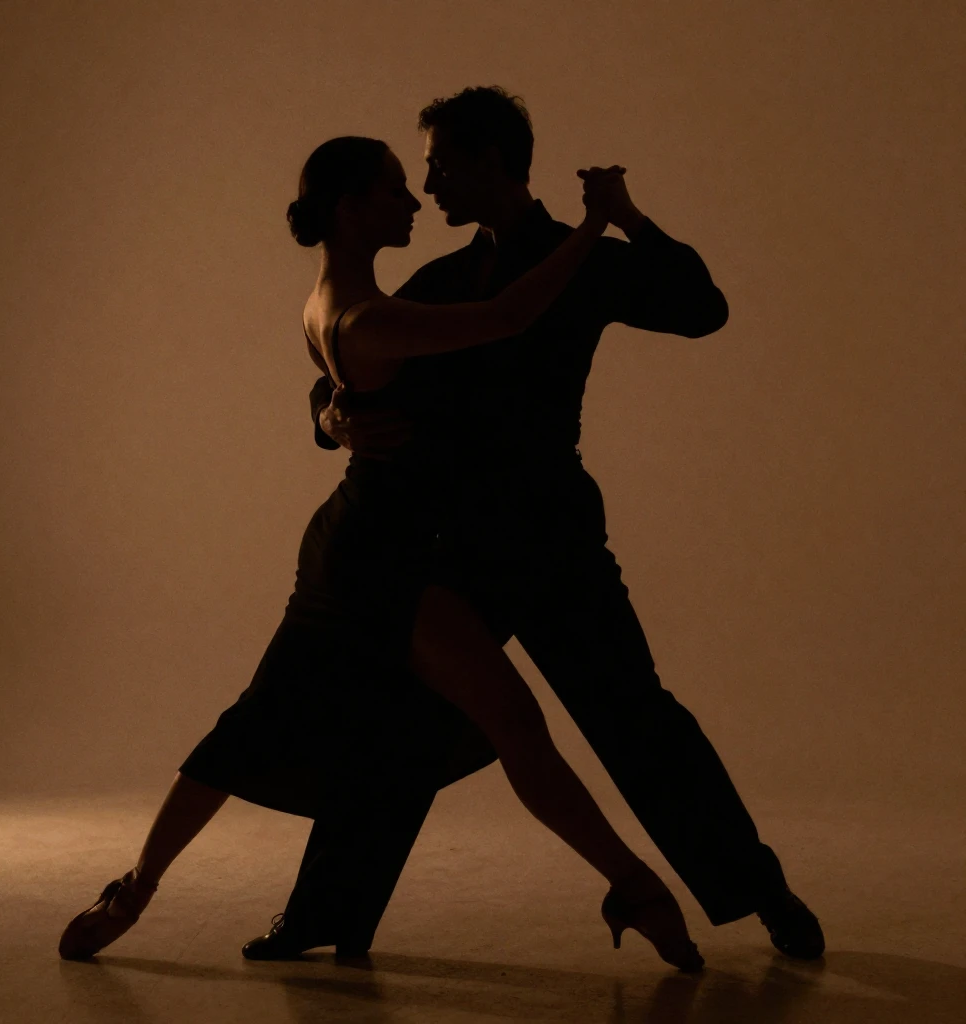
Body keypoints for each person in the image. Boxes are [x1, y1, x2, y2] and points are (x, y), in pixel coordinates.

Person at [57, 135, 704, 973]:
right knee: (287, 726)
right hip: (371, 562)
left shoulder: (331, 302)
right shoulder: (374, 315)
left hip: (377, 545)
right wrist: (592, 227)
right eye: (396, 189)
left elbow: (348, 393)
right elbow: (508, 318)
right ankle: (135, 889)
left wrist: (334, 416)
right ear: (352, 207)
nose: (412, 201)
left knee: (329, 725)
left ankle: (136, 891)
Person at [253, 86, 824, 963]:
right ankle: (324, 915)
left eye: (442, 165)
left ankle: (760, 890)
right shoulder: (441, 277)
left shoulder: (576, 258)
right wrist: (332, 417)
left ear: (491, 163)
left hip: (551, 539)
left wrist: (628, 217)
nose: (430, 186)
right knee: (394, 721)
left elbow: (701, 307)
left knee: (636, 718)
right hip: (445, 547)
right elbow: (349, 362)